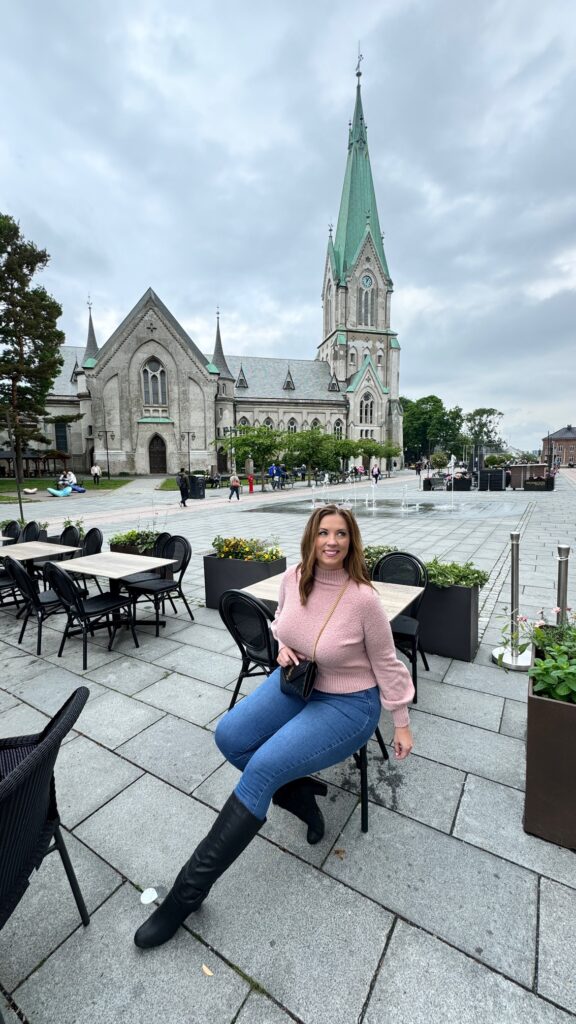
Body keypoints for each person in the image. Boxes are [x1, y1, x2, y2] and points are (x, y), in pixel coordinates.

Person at [134, 503, 414, 950]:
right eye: (324, 532)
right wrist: (283, 646)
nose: (332, 542)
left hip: (349, 702)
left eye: (341, 534)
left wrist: (400, 723)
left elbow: (388, 664)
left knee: (261, 768)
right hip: (297, 681)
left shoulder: (363, 599)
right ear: (311, 536)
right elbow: (282, 623)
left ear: (351, 541)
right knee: (229, 736)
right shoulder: (293, 577)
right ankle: (298, 792)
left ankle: (185, 895)